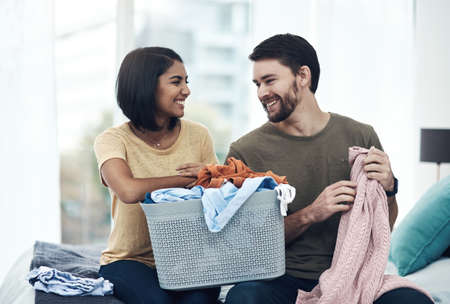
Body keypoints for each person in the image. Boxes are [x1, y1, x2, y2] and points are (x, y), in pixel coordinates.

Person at [224, 34, 432, 304]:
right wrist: (311, 214)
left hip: (354, 274)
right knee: (244, 298)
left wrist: (390, 188)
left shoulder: (361, 136)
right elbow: (241, 243)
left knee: (412, 301)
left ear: (303, 76)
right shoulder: (246, 151)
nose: (261, 93)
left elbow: (383, 225)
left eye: (270, 80)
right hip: (279, 278)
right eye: (257, 84)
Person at [94, 47, 220, 304]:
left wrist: (211, 177)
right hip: (128, 260)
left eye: (186, 81)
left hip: (190, 259)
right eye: (176, 81)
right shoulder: (112, 140)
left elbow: (217, 190)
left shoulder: (199, 135)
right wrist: (190, 179)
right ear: (146, 86)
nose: (186, 90)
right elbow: (128, 191)